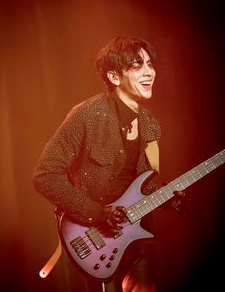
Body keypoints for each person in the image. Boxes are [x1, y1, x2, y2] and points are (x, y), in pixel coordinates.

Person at [33, 36, 161, 292]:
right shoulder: (86, 115)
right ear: (114, 77)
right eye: (137, 66)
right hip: (95, 238)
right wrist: (98, 213)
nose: (149, 72)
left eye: (149, 63)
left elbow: (146, 184)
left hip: (138, 236)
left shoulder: (150, 123)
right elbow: (44, 176)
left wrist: (169, 196)